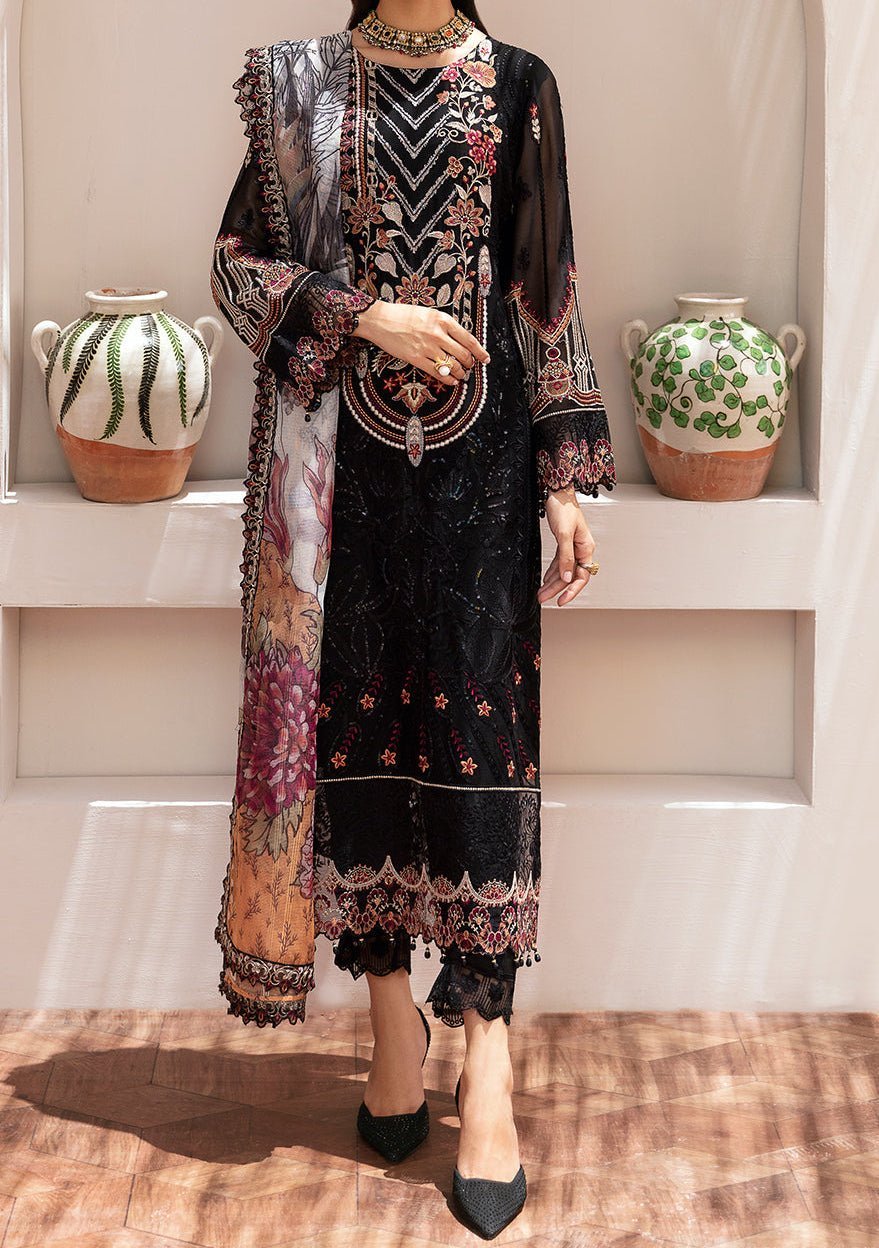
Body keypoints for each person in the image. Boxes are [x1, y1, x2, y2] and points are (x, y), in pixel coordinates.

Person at [210, 1, 615, 1236]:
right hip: (344, 484)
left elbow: (546, 291)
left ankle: (487, 1056)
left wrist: (563, 485)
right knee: (358, 741)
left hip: (482, 484)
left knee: (483, 752)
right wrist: (364, 316)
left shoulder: (521, 82)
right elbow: (236, 267)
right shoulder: (305, 85)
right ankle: (392, 1021)